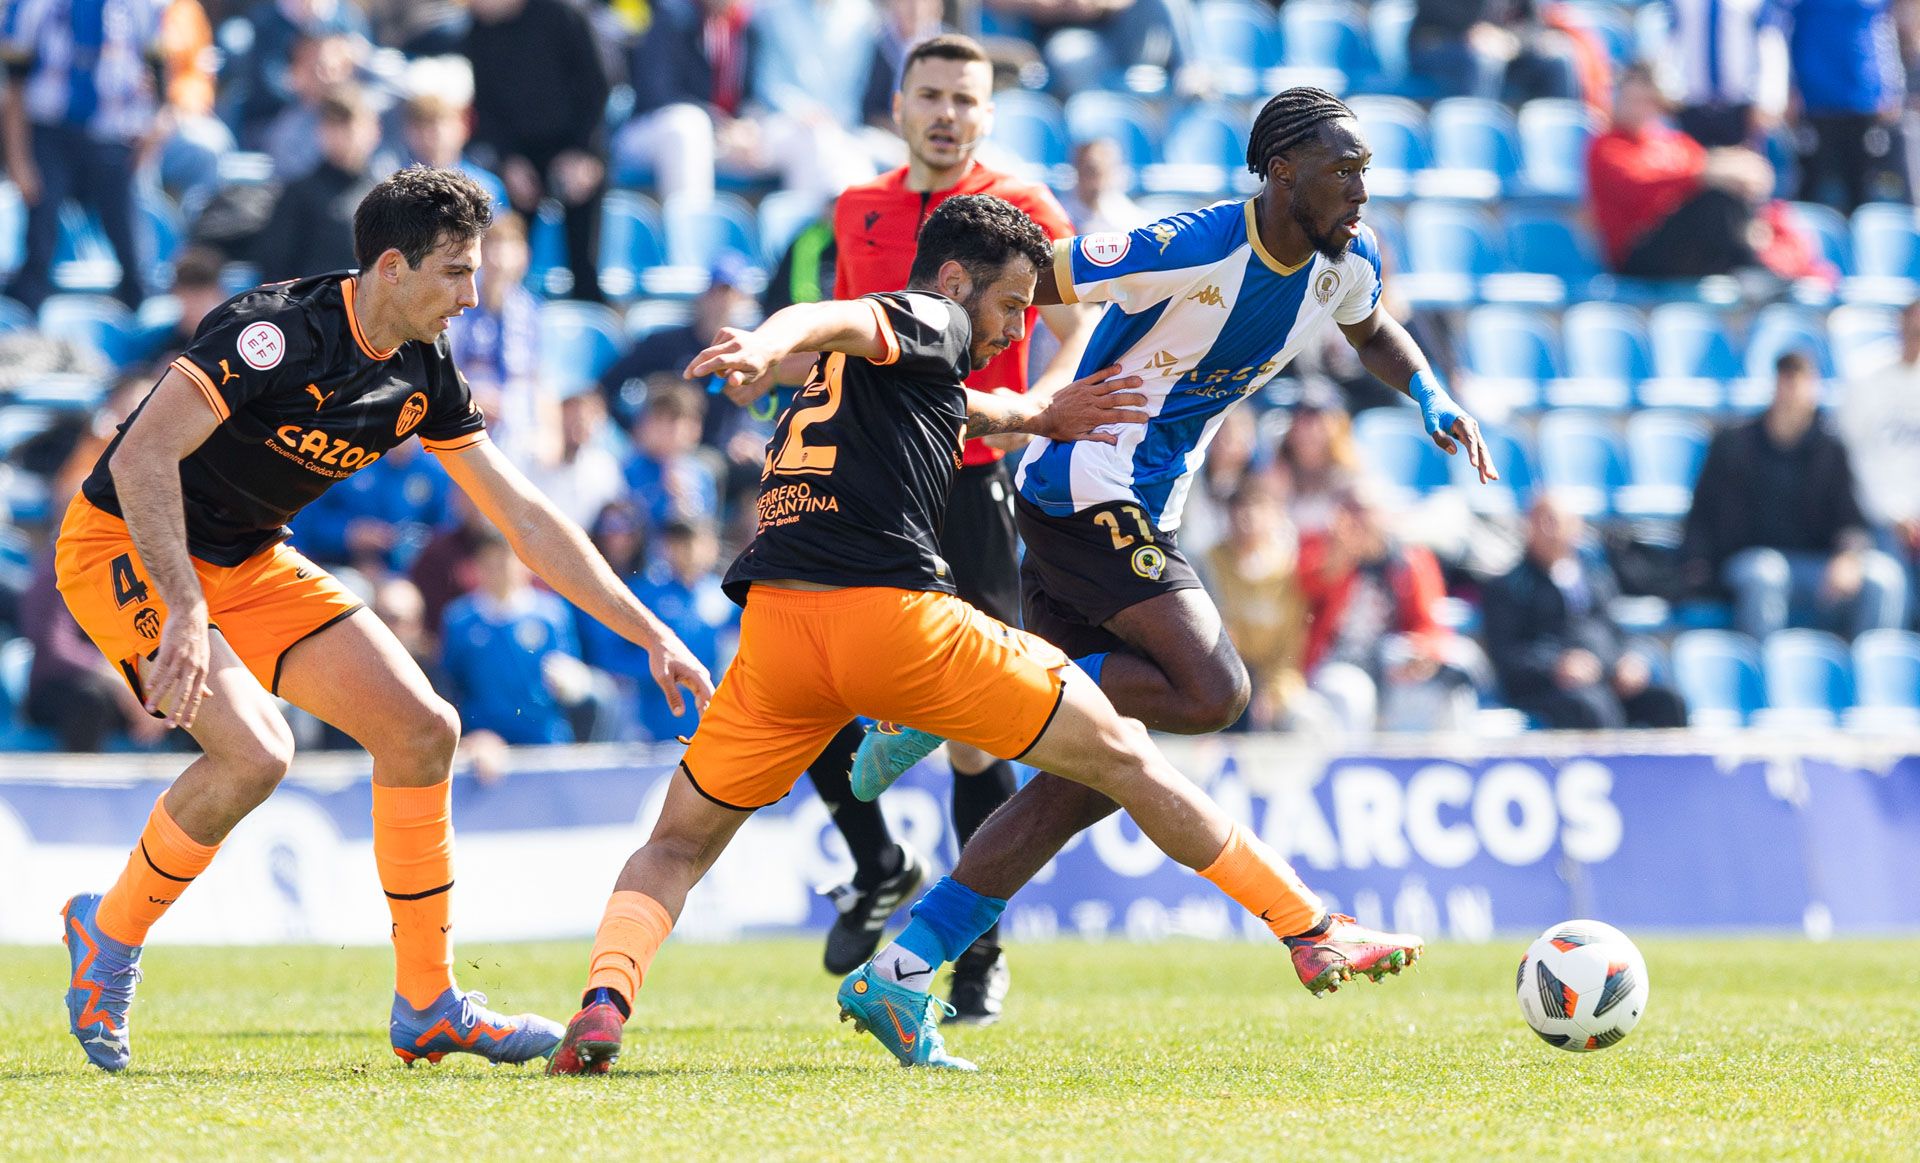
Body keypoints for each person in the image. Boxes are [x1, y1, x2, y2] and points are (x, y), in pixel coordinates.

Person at [542, 194, 1422, 1079]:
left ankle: (604, 1004)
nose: (1014, 328)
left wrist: (1037, 415)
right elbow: (846, 314)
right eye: (1008, 306)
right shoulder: (924, 313)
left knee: (677, 843)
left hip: (776, 638)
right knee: (1125, 755)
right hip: (894, 625)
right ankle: (1310, 927)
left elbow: (949, 408)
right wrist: (774, 338)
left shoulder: (880, 374)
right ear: (957, 281)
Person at [844, 91, 1496, 1034]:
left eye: (1365, 172)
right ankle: (961, 691)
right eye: (1341, 171)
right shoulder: (1191, 246)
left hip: (1145, 504)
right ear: (1280, 174)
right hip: (1082, 482)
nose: (1361, 190)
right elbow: (1027, 276)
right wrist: (947, 368)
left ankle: (900, 970)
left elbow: (1370, 326)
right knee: (1210, 691)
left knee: (1082, 780)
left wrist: (1430, 391)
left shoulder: (1345, 259)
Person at [50, 167, 713, 1074]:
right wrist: (185, 607)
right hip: (125, 540)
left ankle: (429, 1003)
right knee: (258, 752)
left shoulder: (425, 373)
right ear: (392, 267)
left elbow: (522, 516)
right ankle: (108, 935)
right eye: (455, 273)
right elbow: (143, 457)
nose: (472, 297)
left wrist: (648, 630)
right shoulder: (272, 333)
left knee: (422, 729)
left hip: (245, 557)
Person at [778, 33, 1096, 1020]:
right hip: (869, 476)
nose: (948, 112)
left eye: (966, 97)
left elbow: (1078, 319)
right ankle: (878, 864)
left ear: (988, 112)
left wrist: (1041, 396)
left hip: (971, 471)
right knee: (805, 676)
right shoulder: (855, 207)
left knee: (972, 725)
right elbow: (841, 325)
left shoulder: (1029, 211)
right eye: (932, 95)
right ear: (901, 104)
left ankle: (978, 951)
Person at [1682, 350, 1907, 639]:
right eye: (1786, 382)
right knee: (1766, 573)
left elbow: (1851, 520)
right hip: (1748, 560)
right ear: (1775, 386)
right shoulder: (1734, 445)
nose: (1792, 394)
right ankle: (1764, 676)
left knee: (1883, 579)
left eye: (1801, 383)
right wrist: (1697, 569)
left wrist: (1849, 557)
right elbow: (1703, 514)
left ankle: (1867, 677)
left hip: (1815, 566)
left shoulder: (1831, 450)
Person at [0, 0, 161, 310]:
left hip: (114, 136)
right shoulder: (34, 6)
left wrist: (152, 134)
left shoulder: (142, 6)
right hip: (50, 134)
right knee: (41, 237)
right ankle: (26, 321)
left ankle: (138, 315)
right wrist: (19, 158)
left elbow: (159, 76)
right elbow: (15, 84)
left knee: (128, 241)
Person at [1482, 494, 1688, 730]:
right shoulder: (1510, 587)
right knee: (1594, 706)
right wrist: (1556, 666)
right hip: (1550, 689)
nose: (1548, 530)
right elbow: (1508, 653)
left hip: (1606, 677)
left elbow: (1616, 632)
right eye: (1539, 521)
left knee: (1668, 702)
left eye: (1554, 520)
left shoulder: (1596, 579)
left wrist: (1628, 659)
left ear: (1576, 527)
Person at [1298, 480, 1483, 734]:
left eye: (1364, 510)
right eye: (1348, 510)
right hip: (1339, 660)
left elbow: (1429, 624)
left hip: (1392, 660)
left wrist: (1425, 654)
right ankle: (1353, 770)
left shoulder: (1410, 560)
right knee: (1351, 694)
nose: (1357, 520)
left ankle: (1452, 767)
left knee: (1454, 676)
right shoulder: (1320, 550)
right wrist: (1340, 558)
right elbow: (1304, 590)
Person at [462, 0, 610, 300]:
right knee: (502, 238)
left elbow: (597, 86)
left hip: (573, 146)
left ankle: (587, 306)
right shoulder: (477, 32)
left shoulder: (563, 13)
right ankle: (506, 310)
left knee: (585, 264)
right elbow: (485, 109)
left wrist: (584, 152)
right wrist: (508, 161)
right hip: (517, 156)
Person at [1587, 64, 1774, 279]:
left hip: (1686, 252)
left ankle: (1752, 268)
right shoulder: (1606, 146)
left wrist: (1740, 172)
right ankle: (1749, 270)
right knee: (1715, 200)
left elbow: (1706, 166)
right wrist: (1705, 175)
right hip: (1638, 255)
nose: (1636, 108)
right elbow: (1638, 185)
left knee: (1730, 195)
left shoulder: (1673, 142)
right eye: (1629, 100)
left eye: (1644, 101)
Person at [440, 527, 586, 745]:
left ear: (523, 565)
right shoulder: (460, 619)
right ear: (477, 567)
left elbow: (569, 673)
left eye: (504, 561)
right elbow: (449, 683)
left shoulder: (552, 614)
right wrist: (468, 736)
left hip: (544, 738)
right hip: (485, 743)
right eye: (489, 563)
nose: (498, 570)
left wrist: (569, 682)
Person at [1784, 0, 1909, 212]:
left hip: (1865, 101)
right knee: (1814, 191)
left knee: (1866, 192)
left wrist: (1892, 89)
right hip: (1815, 101)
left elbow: (1883, 28)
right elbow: (1784, 30)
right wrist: (1787, 88)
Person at [254, 86, 385, 281]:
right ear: (320, 131)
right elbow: (276, 272)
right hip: (319, 307)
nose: (343, 135)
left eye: (350, 124)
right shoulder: (299, 195)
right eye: (333, 125)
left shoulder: (386, 195)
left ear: (374, 131)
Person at [1836, 300, 1920, 599]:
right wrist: (1896, 513)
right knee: (1892, 586)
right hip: (1876, 518)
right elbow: (1849, 458)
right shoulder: (1866, 377)